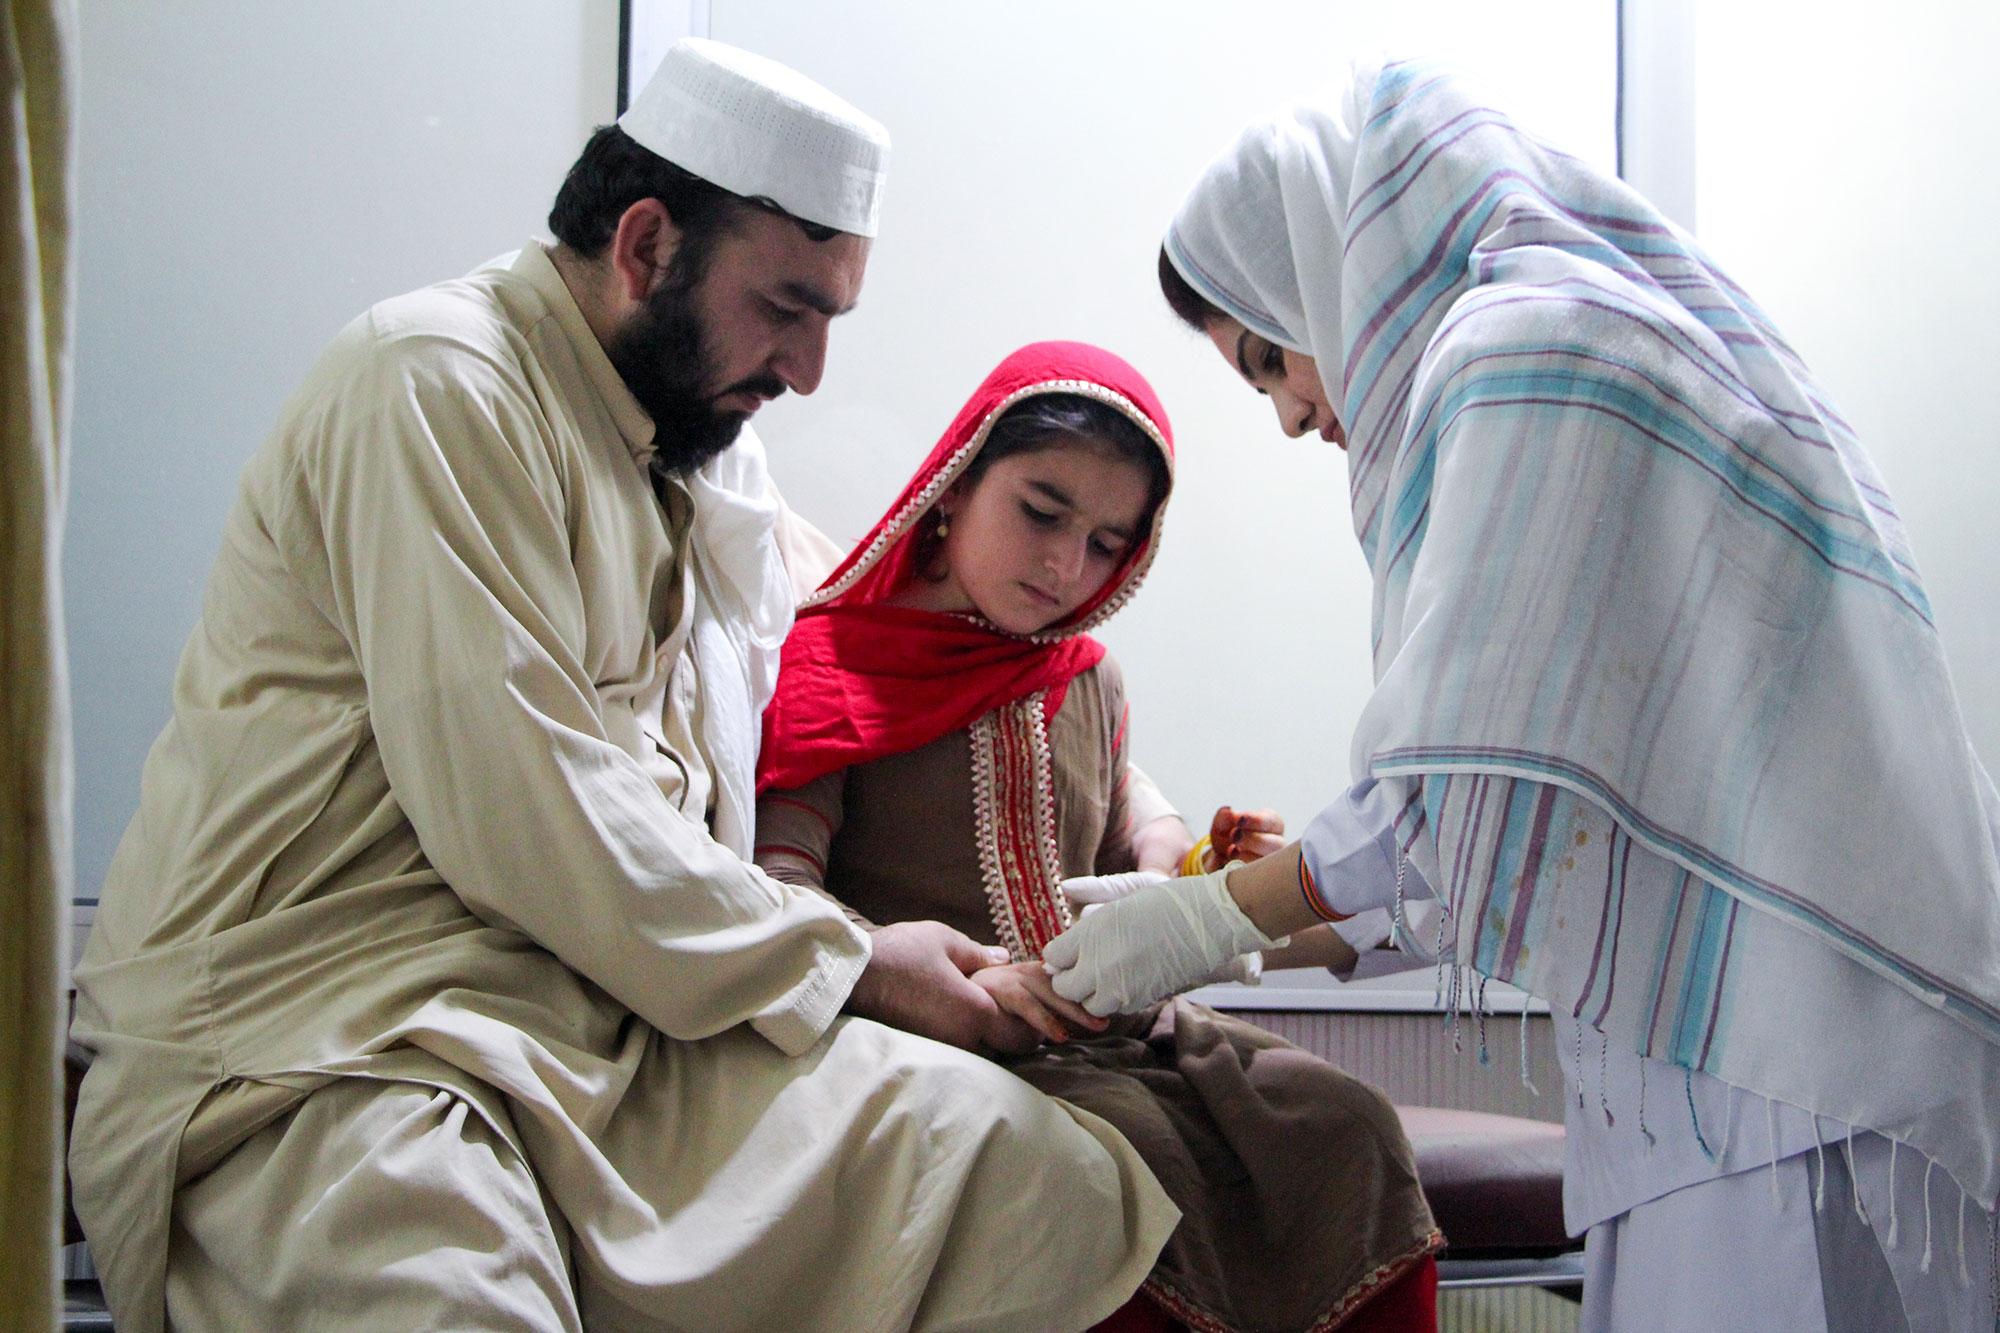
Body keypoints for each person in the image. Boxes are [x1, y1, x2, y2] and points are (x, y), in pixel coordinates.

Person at [69, 40, 1180, 1331]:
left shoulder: (706, 459)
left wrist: (1153, 832)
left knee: (1032, 1179)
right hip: (337, 1036)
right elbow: (532, 819)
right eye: (787, 309)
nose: (811, 370)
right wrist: (859, 960)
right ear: (647, 246)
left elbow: (883, 635)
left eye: (832, 318)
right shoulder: (438, 386)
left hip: (613, 1034)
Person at [1045, 56, 2000, 1331]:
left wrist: (1208, 919)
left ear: (1333, 263)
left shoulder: (1532, 354)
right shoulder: (1567, 334)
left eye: (1271, 357)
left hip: (1775, 1080)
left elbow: (1453, 794)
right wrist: (1249, 916)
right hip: (1751, 1061)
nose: (1286, 415)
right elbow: (1497, 848)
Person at [755, 340, 1442, 1332]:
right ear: (952, 487)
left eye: (1109, 542)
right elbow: (779, 894)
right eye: (1040, 512)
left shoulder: (1084, 677)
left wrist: (1189, 871)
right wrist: (911, 972)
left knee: (1347, 1125)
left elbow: (1138, 826)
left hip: (1110, 1032)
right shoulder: (830, 663)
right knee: (1118, 1168)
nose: (1064, 564)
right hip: (927, 1033)